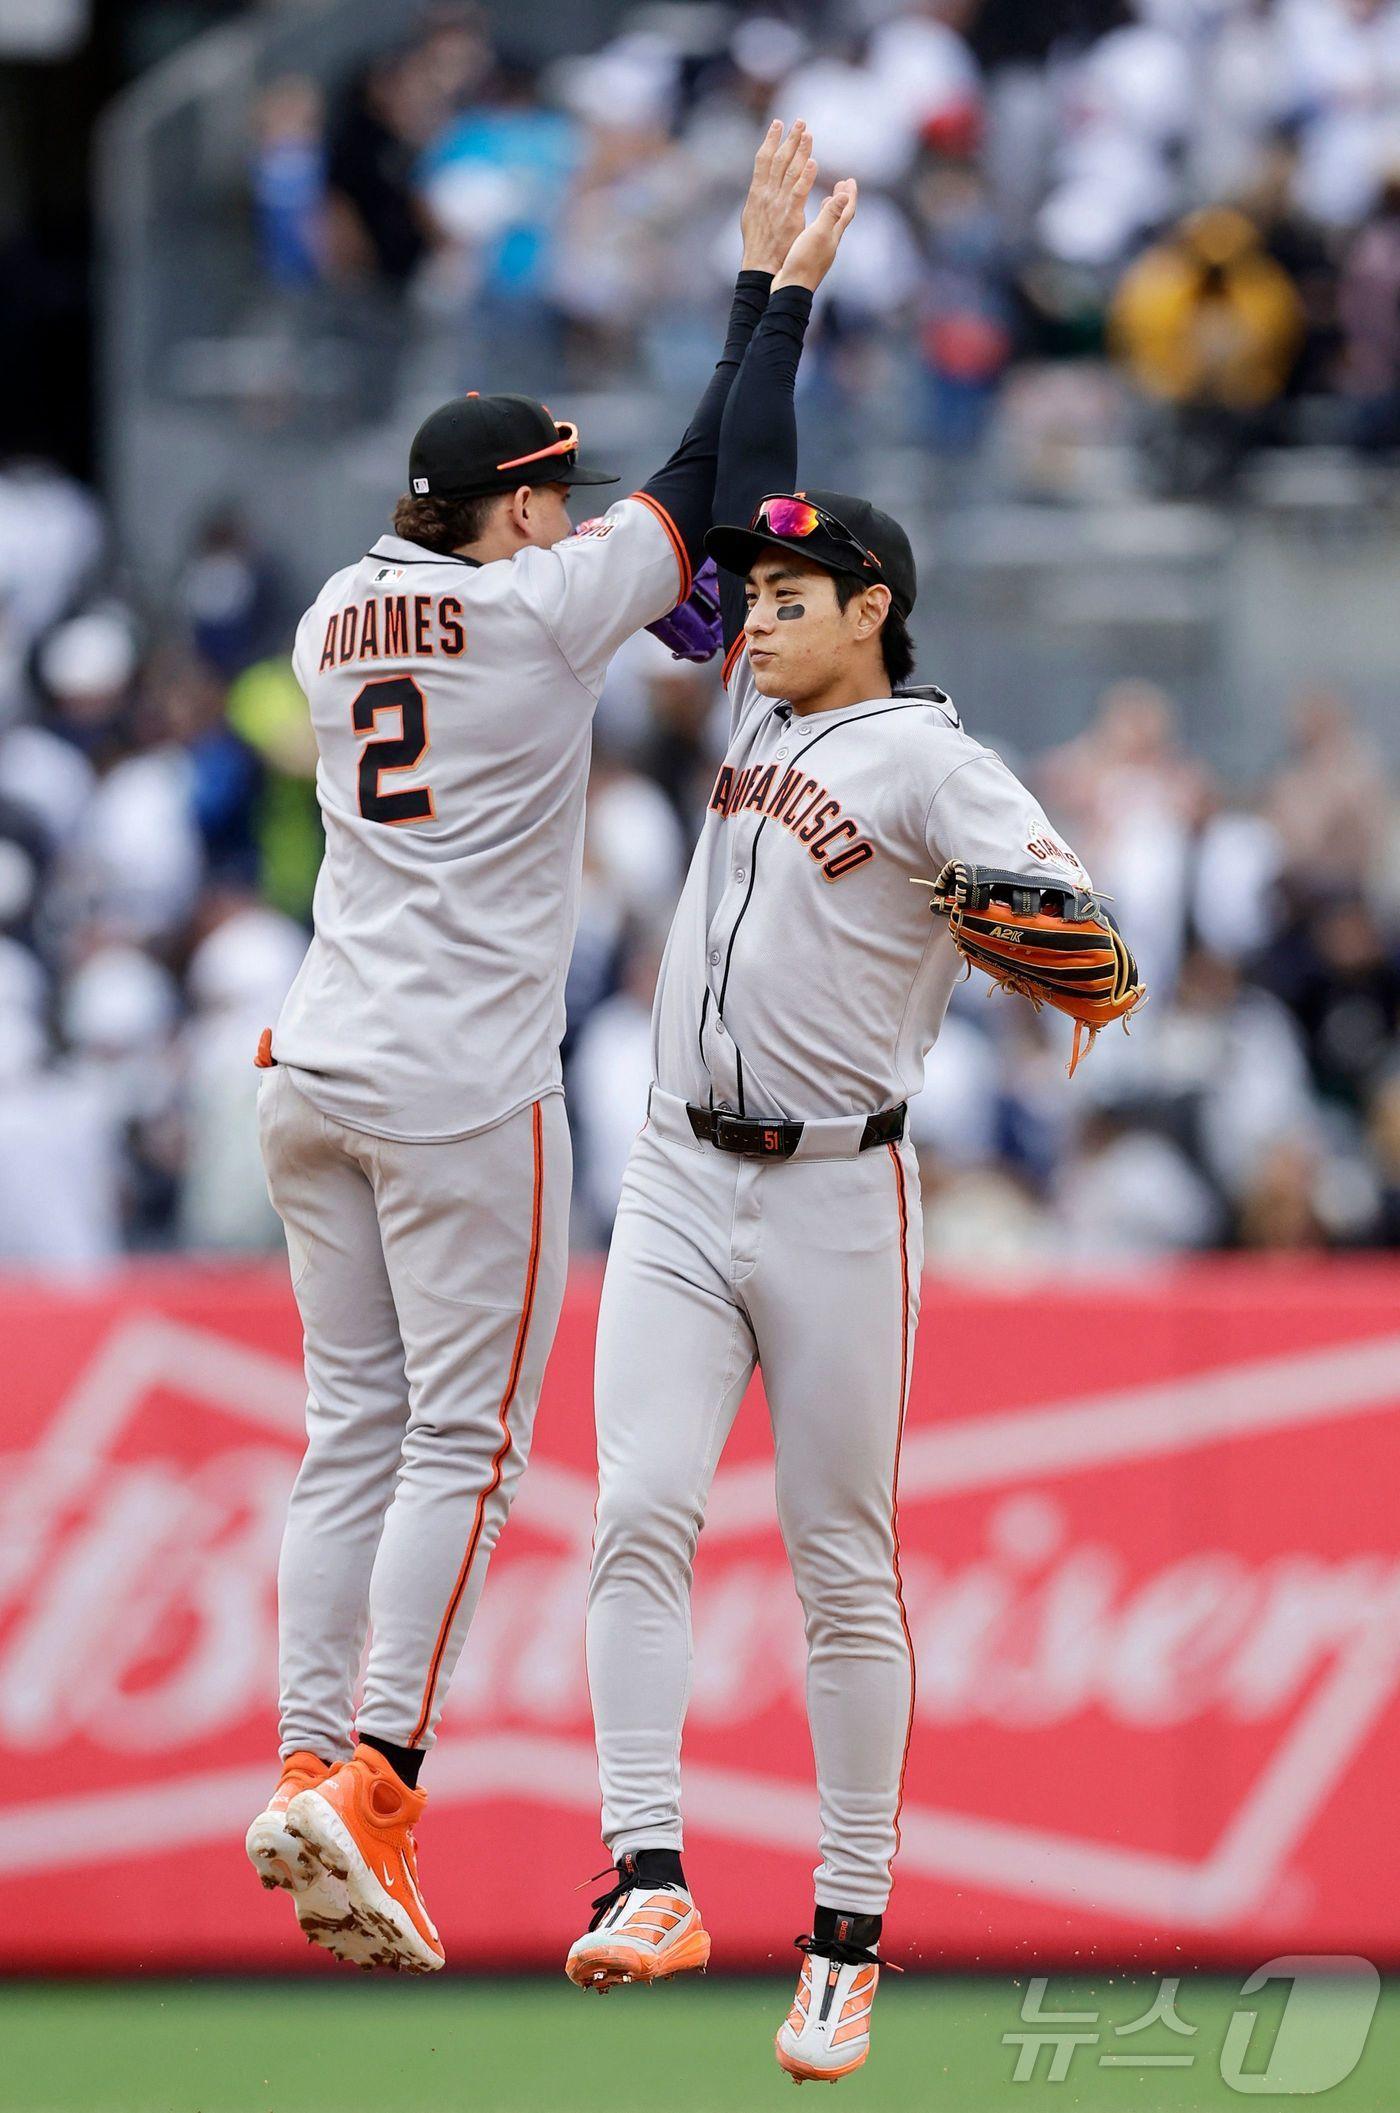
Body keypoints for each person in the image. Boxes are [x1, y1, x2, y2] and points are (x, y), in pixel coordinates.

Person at [244, 120, 820, 1975]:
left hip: (313, 1066)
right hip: (458, 1086)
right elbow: (698, 482)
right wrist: (765, 295)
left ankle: (303, 1748)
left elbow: (636, 510)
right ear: (499, 511)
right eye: (544, 492)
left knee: (345, 1429)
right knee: (464, 1453)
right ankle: (378, 1785)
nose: (568, 514)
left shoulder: (343, 610)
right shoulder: (533, 609)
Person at [566, 175, 1115, 2084]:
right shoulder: (763, 702)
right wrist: (770, 291)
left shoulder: (927, 751)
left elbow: (1089, 927)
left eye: (796, 595)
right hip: (675, 1174)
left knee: (835, 1557)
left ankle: (851, 1931)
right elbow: (742, 487)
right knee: (633, 1509)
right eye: (762, 591)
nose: (758, 607)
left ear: (870, 609)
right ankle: (646, 1867)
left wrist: (1067, 962)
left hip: (829, 1193)